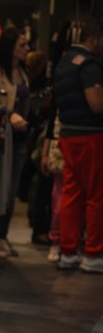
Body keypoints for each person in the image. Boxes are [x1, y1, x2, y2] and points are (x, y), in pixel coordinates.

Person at [52, 16, 103, 273]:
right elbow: (97, 105)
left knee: (72, 193)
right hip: (90, 136)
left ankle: (68, 251)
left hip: (68, 135)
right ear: (93, 39)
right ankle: (93, 254)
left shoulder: (64, 62)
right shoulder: (90, 65)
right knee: (96, 196)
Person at [0, 27, 30, 257]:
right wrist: (10, 115)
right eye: (22, 44)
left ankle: (3, 234)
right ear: (10, 47)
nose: (27, 48)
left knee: (11, 190)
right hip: (1, 139)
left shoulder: (22, 72)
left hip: (20, 138)